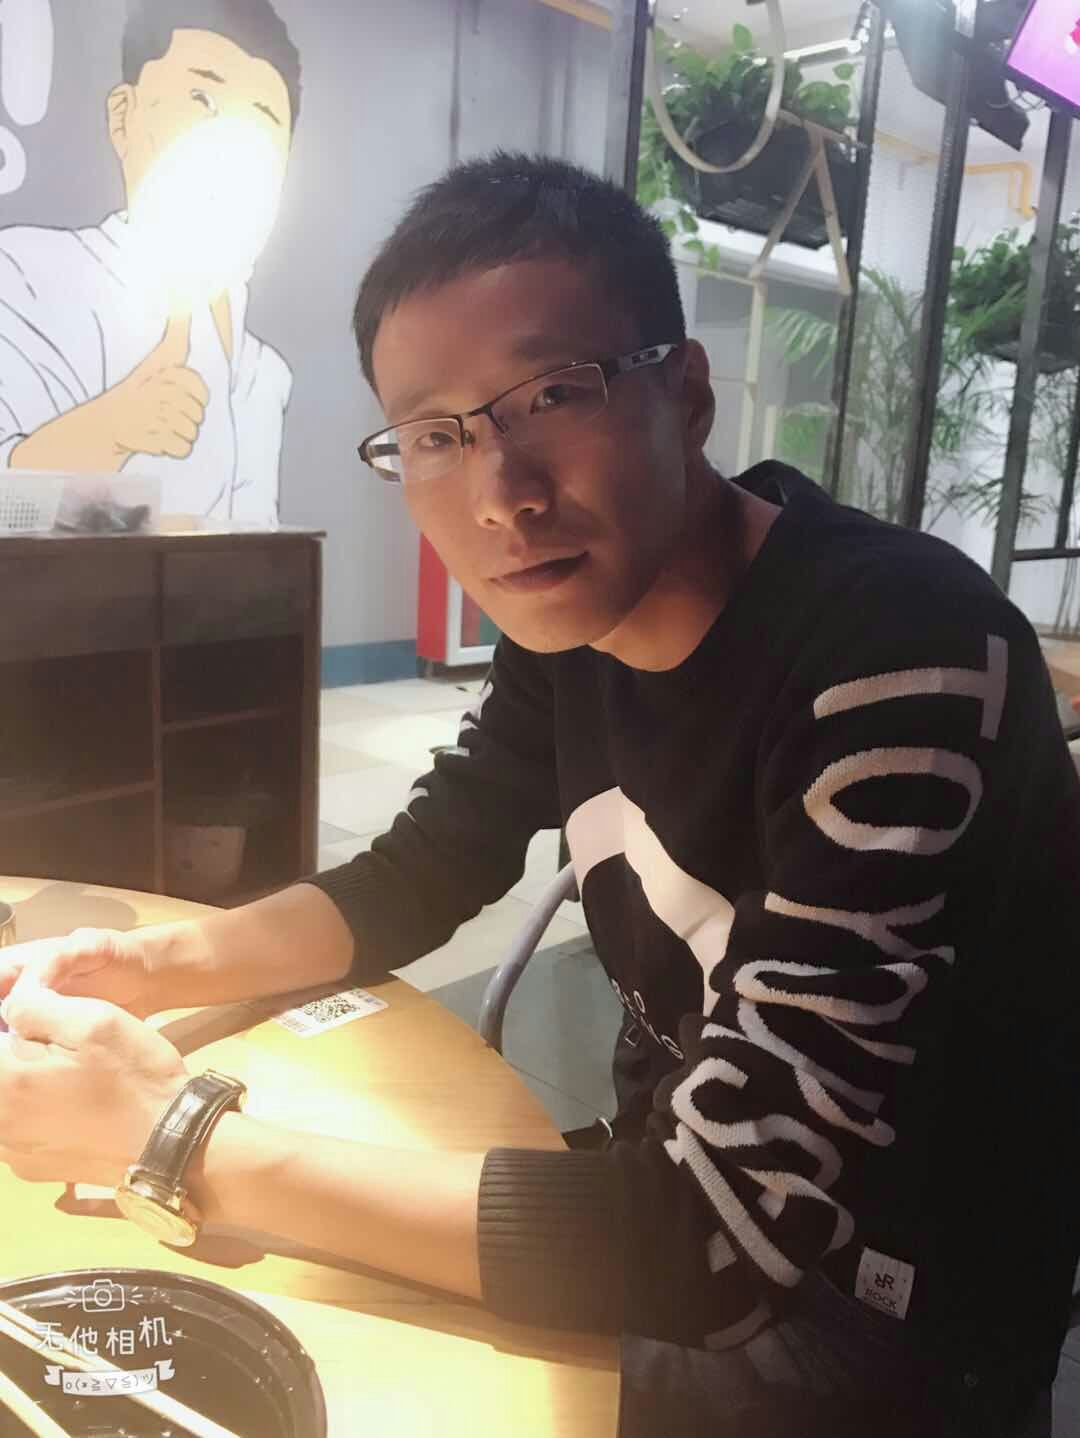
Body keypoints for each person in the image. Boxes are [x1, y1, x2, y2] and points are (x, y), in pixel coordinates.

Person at [2, 152, 1080, 1438]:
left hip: (880, 1321)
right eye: (435, 435)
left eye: (554, 393)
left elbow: (722, 1238)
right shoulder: (572, 629)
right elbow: (424, 867)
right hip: (661, 1193)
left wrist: (172, 1137)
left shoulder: (895, 651)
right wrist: (148, 963)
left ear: (686, 395)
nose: (502, 495)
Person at [0, 0, 301, 524]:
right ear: (123, 116)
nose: (225, 149)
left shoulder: (264, 375)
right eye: (201, 100)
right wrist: (111, 429)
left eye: (263, 122)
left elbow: (256, 548)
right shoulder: (28, 275)